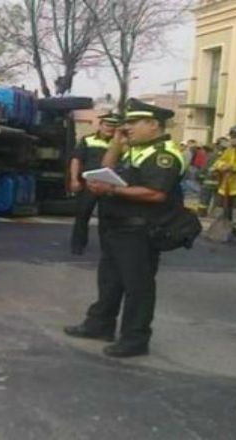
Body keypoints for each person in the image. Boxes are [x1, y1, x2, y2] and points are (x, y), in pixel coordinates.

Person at [63, 98, 185, 358]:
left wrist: (112, 189)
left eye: (132, 122)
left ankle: (135, 339)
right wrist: (116, 143)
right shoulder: (135, 149)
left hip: (139, 231)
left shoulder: (163, 155)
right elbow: (106, 167)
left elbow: (155, 193)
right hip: (117, 227)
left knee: (137, 287)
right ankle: (100, 324)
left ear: (153, 125)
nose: (126, 126)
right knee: (110, 280)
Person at [69, 111, 121, 255]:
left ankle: (107, 248)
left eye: (114, 125)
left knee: (107, 218)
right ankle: (77, 246)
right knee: (82, 215)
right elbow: (76, 160)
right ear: (101, 125)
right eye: (107, 124)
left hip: (110, 185)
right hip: (88, 184)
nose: (110, 128)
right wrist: (74, 179)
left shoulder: (120, 143)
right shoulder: (88, 140)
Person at [197, 137, 228, 216]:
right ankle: (214, 213)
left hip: (209, 180)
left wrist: (200, 176)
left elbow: (205, 166)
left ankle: (202, 212)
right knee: (217, 199)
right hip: (220, 181)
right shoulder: (227, 155)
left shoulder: (212, 155)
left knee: (204, 198)